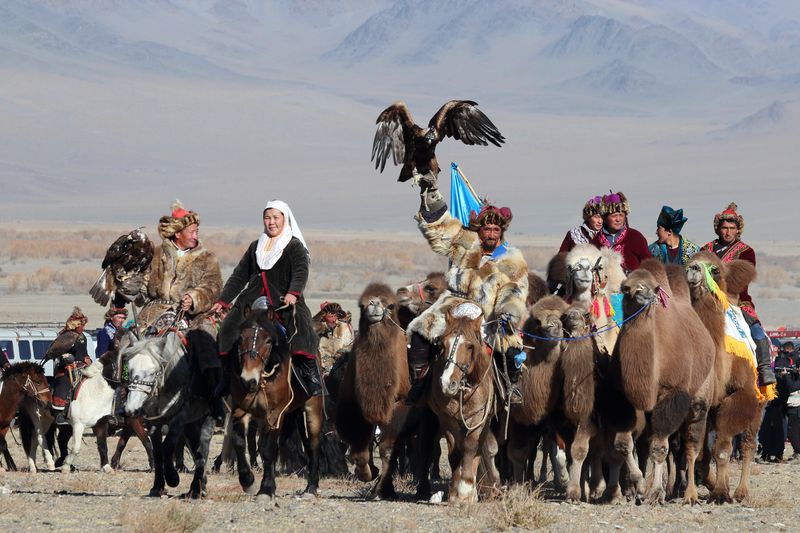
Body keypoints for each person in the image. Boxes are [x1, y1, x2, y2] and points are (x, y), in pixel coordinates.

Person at [406, 188, 529, 403]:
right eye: (487, 229)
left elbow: (514, 290)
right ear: (479, 230)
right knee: (419, 334)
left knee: (509, 346)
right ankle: (419, 384)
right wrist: (432, 200)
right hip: (453, 304)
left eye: (495, 229)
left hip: (490, 312)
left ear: (501, 232)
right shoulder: (464, 244)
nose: (491, 234)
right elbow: (442, 229)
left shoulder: (512, 260)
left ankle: (510, 389)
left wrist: (507, 312)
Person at [211, 200, 323, 397]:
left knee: (301, 329)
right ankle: (227, 377)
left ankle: (310, 376)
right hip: (251, 300)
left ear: (284, 219)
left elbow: (300, 271)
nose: (271, 222)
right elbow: (239, 276)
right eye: (267, 217)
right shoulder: (256, 245)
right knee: (228, 328)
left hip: (283, 300)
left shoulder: (293, 246)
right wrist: (223, 301)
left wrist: (293, 293)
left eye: (275, 217)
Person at [137, 201, 224, 421]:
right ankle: (123, 393)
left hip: (193, 316)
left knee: (207, 348)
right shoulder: (156, 254)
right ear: (178, 234)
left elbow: (213, 287)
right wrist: (133, 288)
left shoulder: (207, 259)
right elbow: (143, 285)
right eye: (192, 231)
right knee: (127, 347)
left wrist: (194, 298)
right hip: (154, 312)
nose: (196, 235)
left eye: (196, 231)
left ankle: (214, 399)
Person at [703, 202, 776, 386]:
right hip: (708, 300)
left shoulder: (746, 252)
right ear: (718, 229)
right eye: (724, 228)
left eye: (731, 228)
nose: (727, 232)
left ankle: (764, 369)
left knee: (757, 332)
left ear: (738, 230)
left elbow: (742, 280)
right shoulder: (706, 250)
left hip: (738, 300)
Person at [44, 308, 91, 425]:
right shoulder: (66, 336)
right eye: (81, 325)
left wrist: (88, 360)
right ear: (75, 325)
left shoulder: (82, 337)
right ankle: (58, 412)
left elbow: (83, 353)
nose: (83, 328)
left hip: (81, 367)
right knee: (65, 381)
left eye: (84, 325)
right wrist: (67, 360)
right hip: (64, 368)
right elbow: (58, 355)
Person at [590, 191, 651, 272]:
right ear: (604, 218)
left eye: (621, 215)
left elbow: (649, 265)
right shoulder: (595, 242)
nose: (618, 219)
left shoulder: (636, 237)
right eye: (614, 216)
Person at [760, 342, 796, 462]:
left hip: (779, 400)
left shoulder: (784, 361)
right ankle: (766, 452)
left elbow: (787, 379)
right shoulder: (764, 360)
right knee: (765, 428)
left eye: (773, 347)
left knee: (779, 427)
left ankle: (778, 453)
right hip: (766, 399)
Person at [314, 301, 354, 374]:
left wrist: (342, 352)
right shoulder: (318, 329)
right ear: (323, 317)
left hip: (341, 363)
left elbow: (350, 344)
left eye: (335, 316)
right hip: (322, 366)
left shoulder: (344, 327)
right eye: (330, 316)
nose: (334, 319)